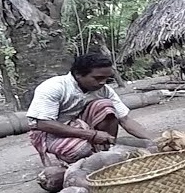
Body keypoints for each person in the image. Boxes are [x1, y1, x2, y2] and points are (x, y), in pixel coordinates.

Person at [26, 51, 157, 167]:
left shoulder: (103, 90)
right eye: (98, 78)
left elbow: (125, 119)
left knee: (105, 106)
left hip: (80, 124)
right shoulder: (54, 87)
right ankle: (78, 158)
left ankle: (106, 149)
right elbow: (43, 124)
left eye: (106, 79)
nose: (103, 82)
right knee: (80, 149)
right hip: (50, 132)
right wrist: (91, 135)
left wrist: (155, 141)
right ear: (78, 74)